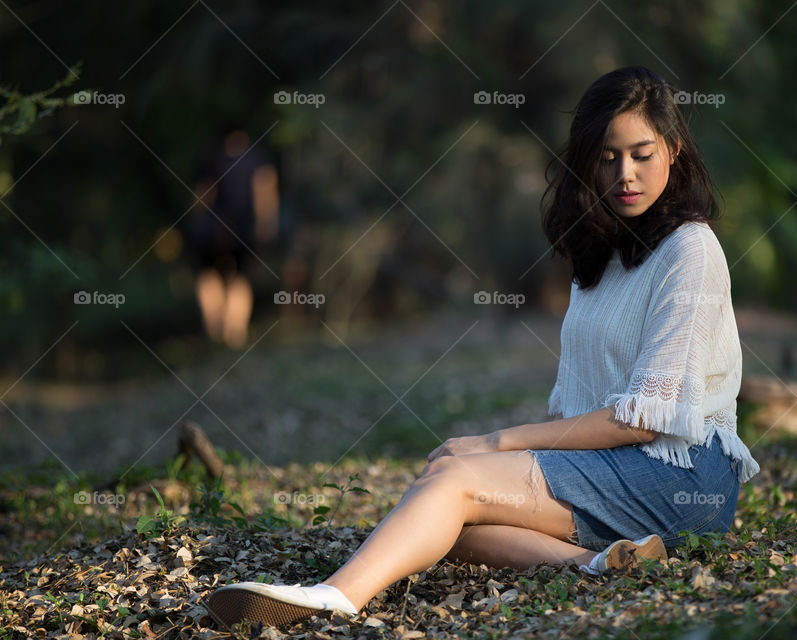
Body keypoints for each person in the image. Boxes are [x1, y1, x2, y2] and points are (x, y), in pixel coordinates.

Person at [205, 66, 760, 629]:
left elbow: (644, 418)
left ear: (672, 149)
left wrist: (496, 442)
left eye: (642, 154)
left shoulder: (691, 249)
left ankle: (336, 595)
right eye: (607, 156)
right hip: (621, 467)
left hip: (684, 476)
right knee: (448, 523)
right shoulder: (605, 250)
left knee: (453, 482)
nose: (625, 174)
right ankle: (601, 562)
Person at [185, 126, 279, 349]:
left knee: (210, 276)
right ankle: (235, 334)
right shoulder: (257, 159)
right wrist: (266, 224)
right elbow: (265, 192)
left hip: (212, 230)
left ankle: (214, 331)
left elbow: (202, 196)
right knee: (239, 278)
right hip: (242, 231)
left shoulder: (211, 159)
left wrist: (197, 226)